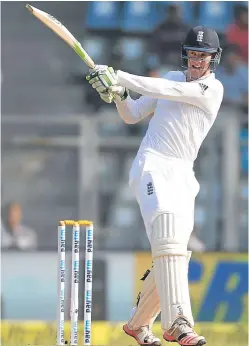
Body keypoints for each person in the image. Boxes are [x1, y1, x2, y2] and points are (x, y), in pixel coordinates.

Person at [86, 26, 223, 346]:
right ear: (186, 54)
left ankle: (138, 324)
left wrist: (118, 77)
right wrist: (119, 96)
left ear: (213, 59)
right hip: (152, 164)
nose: (197, 61)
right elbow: (132, 114)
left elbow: (167, 92)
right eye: (192, 54)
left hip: (183, 175)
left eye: (203, 56)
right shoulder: (173, 78)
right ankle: (178, 323)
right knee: (166, 236)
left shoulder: (211, 89)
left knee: (176, 252)